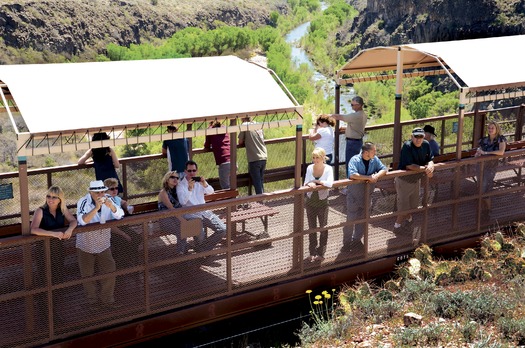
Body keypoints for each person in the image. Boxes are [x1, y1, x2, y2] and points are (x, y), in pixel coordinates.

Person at [76, 180, 124, 309]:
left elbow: (120, 214)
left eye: (102, 191)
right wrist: (96, 208)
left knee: (109, 270)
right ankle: (92, 302)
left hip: (103, 243)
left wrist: (111, 207)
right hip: (86, 244)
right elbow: (82, 221)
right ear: (91, 192)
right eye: (97, 192)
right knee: (87, 274)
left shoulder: (108, 198)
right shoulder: (83, 202)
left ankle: (107, 299)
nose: (100, 194)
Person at [342, 142, 387, 253]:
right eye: (373, 151)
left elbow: (384, 169)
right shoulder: (354, 160)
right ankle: (346, 243)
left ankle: (357, 241)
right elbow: (352, 174)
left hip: (367, 196)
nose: (375, 153)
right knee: (350, 220)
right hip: (354, 196)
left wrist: (376, 175)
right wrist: (368, 177)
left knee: (363, 220)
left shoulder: (374, 159)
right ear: (366, 152)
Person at [30, 185, 77, 284]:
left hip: (58, 248)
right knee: (44, 276)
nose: (50, 199)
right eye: (48, 196)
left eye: (54, 197)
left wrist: (70, 229)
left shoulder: (62, 209)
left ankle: (57, 298)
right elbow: (33, 229)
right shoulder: (40, 211)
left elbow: (73, 221)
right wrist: (53, 234)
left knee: (58, 274)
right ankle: (44, 299)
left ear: (60, 199)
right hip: (43, 249)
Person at [176, 160, 226, 251]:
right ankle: (203, 252)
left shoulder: (199, 181)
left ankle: (203, 250)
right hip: (190, 214)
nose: (192, 173)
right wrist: (189, 189)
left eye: (194, 170)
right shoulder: (181, 185)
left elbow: (211, 191)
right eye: (189, 171)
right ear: (185, 171)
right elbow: (183, 202)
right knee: (200, 235)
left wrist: (204, 184)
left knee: (223, 229)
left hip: (205, 212)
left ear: (197, 171)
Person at [394, 128, 435, 233]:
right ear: (412, 137)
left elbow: (430, 159)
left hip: (415, 180)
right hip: (404, 180)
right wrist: (426, 169)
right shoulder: (407, 147)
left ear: (424, 137)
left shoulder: (426, 144)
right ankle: (397, 226)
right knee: (403, 208)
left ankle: (409, 220)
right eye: (416, 137)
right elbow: (409, 165)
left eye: (421, 137)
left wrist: (430, 166)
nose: (418, 139)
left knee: (413, 206)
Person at [303, 148, 334, 262]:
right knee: (312, 228)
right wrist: (310, 182)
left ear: (323, 158)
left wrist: (316, 182)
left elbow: (329, 183)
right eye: (314, 157)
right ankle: (312, 252)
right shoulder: (310, 168)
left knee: (323, 228)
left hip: (322, 203)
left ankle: (321, 252)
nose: (315, 160)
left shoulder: (329, 169)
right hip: (310, 202)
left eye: (317, 157)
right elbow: (306, 182)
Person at [104, 177, 141, 269]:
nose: (115, 190)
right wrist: (124, 234)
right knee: (124, 241)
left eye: (116, 188)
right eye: (112, 189)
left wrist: (127, 206)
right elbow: (109, 226)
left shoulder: (116, 198)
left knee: (137, 238)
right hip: (110, 231)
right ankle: (121, 266)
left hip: (121, 227)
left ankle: (129, 260)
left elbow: (123, 202)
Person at [330, 96, 367, 178]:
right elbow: (355, 127)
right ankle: (355, 184)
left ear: (359, 105)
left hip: (352, 143)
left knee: (350, 164)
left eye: (352, 105)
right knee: (356, 163)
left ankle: (350, 186)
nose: (352, 106)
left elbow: (340, 117)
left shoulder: (355, 115)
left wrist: (329, 116)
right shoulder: (363, 115)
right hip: (358, 141)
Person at [475, 120, 507, 213]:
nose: (490, 129)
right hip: (481, 166)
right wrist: (478, 152)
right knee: (480, 186)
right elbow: (479, 149)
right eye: (489, 128)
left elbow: (501, 152)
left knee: (486, 187)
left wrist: (486, 153)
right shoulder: (484, 140)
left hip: (491, 166)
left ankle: (487, 210)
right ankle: (481, 209)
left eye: (492, 128)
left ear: (496, 129)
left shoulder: (501, 139)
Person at [158, 170, 190, 255]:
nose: (175, 179)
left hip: (177, 217)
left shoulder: (178, 191)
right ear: (167, 179)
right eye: (172, 177)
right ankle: (180, 254)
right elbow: (171, 209)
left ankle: (184, 251)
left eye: (177, 177)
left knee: (192, 224)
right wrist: (182, 219)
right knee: (181, 230)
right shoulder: (163, 192)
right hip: (165, 218)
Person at [238, 117, 267, 195]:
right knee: (260, 181)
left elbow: (240, 142)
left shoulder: (245, 125)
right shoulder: (257, 124)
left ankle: (260, 201)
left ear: (242, 119)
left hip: (254, 158)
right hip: (263, 156)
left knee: (257, 182)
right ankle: (263, 199)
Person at [204, 121, 231, 189]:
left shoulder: (210, 130)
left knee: (225, 187)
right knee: (231, 185)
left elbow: (207, 145)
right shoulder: (224, 128)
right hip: (233, 160)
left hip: (223, 161)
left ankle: (231, 199)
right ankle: (234, 198)